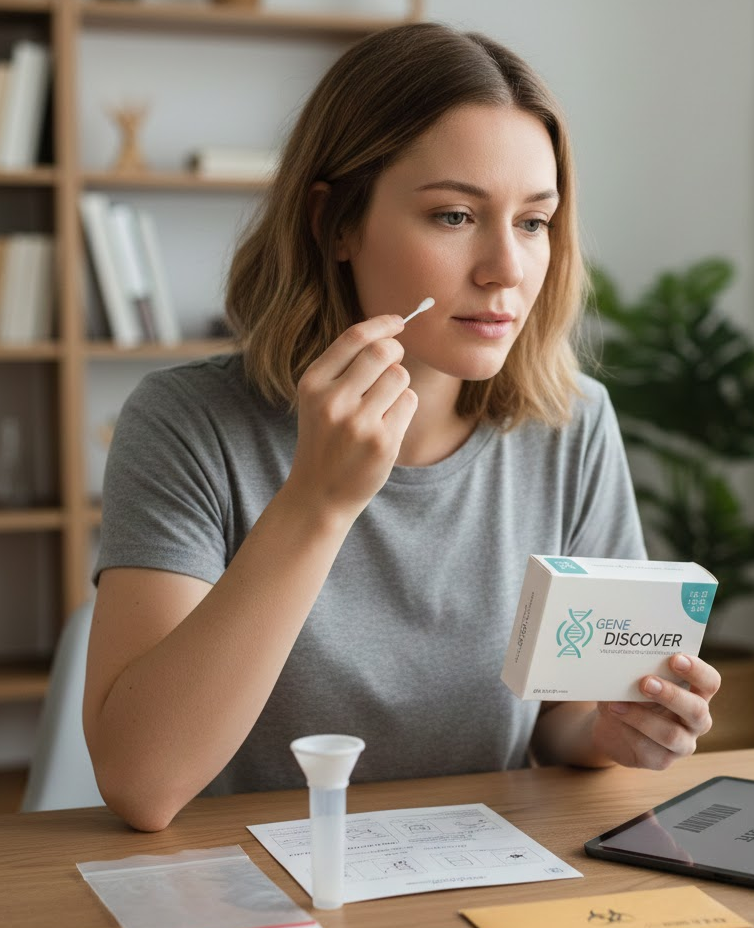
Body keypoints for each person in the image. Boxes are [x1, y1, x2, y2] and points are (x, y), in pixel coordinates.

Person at [83, 22, 721, 833]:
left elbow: (560, 715)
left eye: (533, 222)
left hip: (483, 870)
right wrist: (316, 502)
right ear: (334, 224)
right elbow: (143, 785)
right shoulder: (187, 424)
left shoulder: (573, 423)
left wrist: (610, 728)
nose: (506, 269)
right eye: (455, 216)